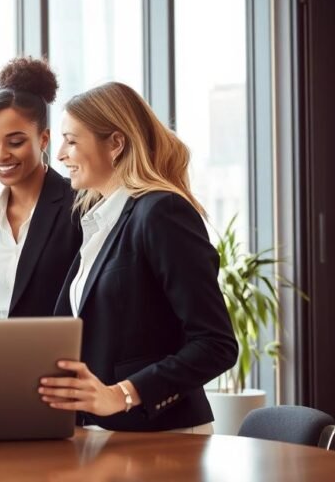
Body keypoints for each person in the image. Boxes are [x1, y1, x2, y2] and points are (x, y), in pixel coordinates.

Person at [38, 82, 237, 432]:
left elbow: (216, 344)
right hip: (107, 433)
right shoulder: (101, 221)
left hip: (164, 434)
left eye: (71, 140)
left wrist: (123, 394)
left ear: (115, 143)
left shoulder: (163, 212)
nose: (60, 155)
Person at [0, 57, 81, 318]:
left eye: (15, 142)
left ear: (43, 139)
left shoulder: (79, 205)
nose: (0, 155)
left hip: (55, 356)